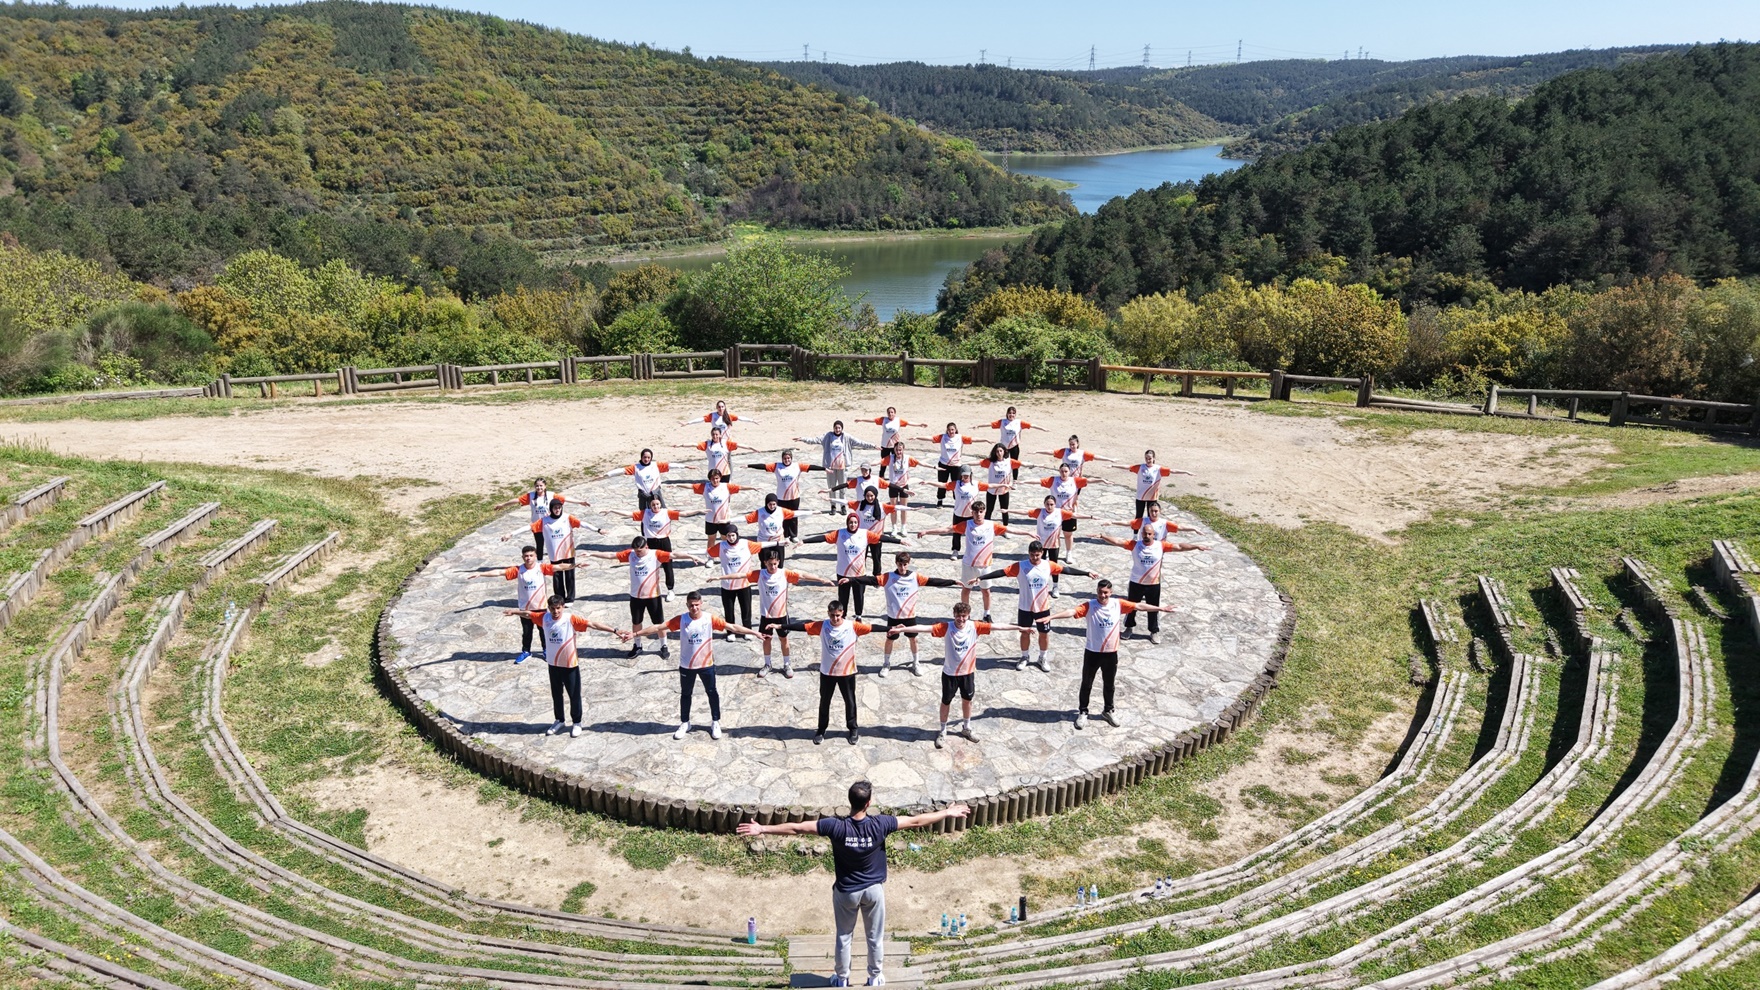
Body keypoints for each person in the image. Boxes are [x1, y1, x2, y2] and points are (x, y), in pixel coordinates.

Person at [735, 783, 970, 988]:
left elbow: (798, 828)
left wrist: (762, 828)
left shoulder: (835, 826)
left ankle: (841, 979)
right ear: (868, 803)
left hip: (846, 892)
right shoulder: (881, 824)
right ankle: (875, 978)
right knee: (875, 937)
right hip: (873, 892)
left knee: (844, 936)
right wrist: (947, 812)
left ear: (850, 802)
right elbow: (917, 821)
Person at [624, 590, 761, 741]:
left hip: (706, 665)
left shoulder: (710, 619)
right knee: (686, 694)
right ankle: (685, 723)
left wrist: (755, 633)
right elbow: (658, 627)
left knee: (712, 692)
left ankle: (715, 722)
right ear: (687, 605)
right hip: (687, 665)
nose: (694, 608)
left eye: (696, 605)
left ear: (701, 603)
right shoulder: (681, 620)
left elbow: (732, 627)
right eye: (691, 605)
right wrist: (635, 635)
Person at [1046, 579, 1176, 728]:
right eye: (1100, 592)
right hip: (1093, 652)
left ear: (1111, 592)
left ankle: (1108, 710)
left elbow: (1138, 606)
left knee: (1109, 684)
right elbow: (1072, 612)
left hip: (1111, 653)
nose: (1103, 595)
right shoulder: (1090, 606)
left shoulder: (1118, 604)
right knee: (1086, 684)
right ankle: (1083, 712)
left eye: (1106, 593)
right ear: (1097, 592)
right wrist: (1051, 617)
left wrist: (1161, 608)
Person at [503, 595, 620, 738]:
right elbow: (528, 614)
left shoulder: (570, 619)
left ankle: (577, 722)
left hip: (569, 664)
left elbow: (592, 624)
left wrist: (614, 630)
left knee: (574, 695)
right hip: (553, 664)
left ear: (563, 607)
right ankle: (559, 720)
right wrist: (514, 612)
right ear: (548, 608)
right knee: (556, 694)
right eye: (552, 608)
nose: (555, 611)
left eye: (558, 608)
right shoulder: (544, 618)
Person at [976, 540, 1095, 671]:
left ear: (1042, 553)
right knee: (1024, 633)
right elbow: (1001, 572)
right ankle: (1024, 657)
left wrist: (1086, 573)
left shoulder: (1048, 565)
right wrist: (981, 578)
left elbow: (1066, 570)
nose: (1034, 557)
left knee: (1044, 634)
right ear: (1029, 553)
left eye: (1037, 555)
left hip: (1042, 608)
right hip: (1025, 608)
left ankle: (1042, 658)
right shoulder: (1020, 566)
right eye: (1032, 555)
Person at [839, 550, 960, 677]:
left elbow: (933, 581)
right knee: (889, 640)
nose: (902, 567)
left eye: (905, 564)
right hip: (894, 617)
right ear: (896, 563)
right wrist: (851, 580)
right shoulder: (888, 577)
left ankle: (916, 662)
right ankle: (886, 664)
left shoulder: (916, 577)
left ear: (909, 563)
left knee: (913, 639)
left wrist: (952, 582)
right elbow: (870, 580)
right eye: (900, 564)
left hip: (909, 616)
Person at [581, 537, 704, 659]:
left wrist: (690, 556)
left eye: (639, 551)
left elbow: (674, 555)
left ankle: (664, 645)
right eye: (635, 551)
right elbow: (611, 555)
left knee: (659, 624)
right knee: (636, 622)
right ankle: (638, 645)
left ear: (646, 547)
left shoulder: (656, 554)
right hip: (636, 596)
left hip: (653, 596)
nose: (637, 553)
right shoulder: (630, 554)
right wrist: (591, 554)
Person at [775, 601, 876, 745]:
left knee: (850, 701)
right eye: (832, 615)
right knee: (824, 702)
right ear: (828, 613)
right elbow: (803, 627)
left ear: (842, 613)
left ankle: (853, 729)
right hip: (827, 672)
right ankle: (821, 730)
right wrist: (781, 626)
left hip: (847, 672)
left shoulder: (852, 626)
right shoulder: (822, 626)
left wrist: (892, 629)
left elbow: (873, 628)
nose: (835, 618)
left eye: (838, 615)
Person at [926, 602, 1026, 746]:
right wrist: (900, 630)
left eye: (964, 616)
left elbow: (998, 626)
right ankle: (942, 731)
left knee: (967, 700)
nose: (961, 619)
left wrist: (1019, 627)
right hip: (950, 673)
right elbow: (923, 628)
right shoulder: (947, 627)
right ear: (954, 615)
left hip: (967, 673)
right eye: (958, 616)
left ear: (968, 616)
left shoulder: (975, 626)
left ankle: (966, 728)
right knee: (946, 701)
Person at [914, 500, 1028, 624]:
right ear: (972, 513)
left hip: (985, 565)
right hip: (969, 564)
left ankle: (987, 614)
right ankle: (965, 614)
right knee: (966, 589)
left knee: (986, 591)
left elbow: (1010, 530)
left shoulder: (991, 525)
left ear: (984, 512)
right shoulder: (966, 525)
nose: (979, 514)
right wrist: (927, 531)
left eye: (981, 511)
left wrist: (1028, 532)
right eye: (976, 512)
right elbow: (947, 529)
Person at [1094, 528, 1207, 645]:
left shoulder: (1161, 545)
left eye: (1149, 534)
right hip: (1136, 583)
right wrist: (1102, 535)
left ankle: (1154, 631)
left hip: (1153, 584)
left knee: (1154, 608)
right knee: (1131, 608)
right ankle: (1129, 627)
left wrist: (1196, 546)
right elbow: (1118, 541)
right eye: (1145, 533)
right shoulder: (1135, 545)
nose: (1147, 536)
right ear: (1141, 534)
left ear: (1154, 535)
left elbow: (1179, 546)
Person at [465, 545, 574, 662]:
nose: (528, 558)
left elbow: (559, 566)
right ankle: (526, 651)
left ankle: (546, 650)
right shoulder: (518, 570)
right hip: (525, 608)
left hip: (540, 607)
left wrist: (575, 565)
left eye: (531, 555)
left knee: (543, 631)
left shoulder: (542, 568)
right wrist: (481, 574)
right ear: (522, 557)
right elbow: (499, 572)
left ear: (535, 556)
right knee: (526, 632)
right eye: (526, 556)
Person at [749, 547, 835, 678]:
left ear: (778, 562)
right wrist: (720, 577)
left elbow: (803, 575)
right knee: (766, 639)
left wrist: (821, 580)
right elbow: (740, 576)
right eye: (770, 564)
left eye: (775, 563)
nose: (773, 566)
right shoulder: (760, 574)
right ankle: (767, 664)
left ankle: (787, 664)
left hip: (781, 615)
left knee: (784, 639)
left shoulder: (784, 573)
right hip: (766, 615)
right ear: (765, 562)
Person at [817, 512, 902, 620]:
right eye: (851, 522)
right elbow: (823, 538)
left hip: (859, 574)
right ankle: (843, 617)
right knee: (843, 597)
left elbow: (881, 538)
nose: (853, 525)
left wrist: (899, 541)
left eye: (855, 522)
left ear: (858, 523)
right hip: (843, 573)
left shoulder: (865, 534)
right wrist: (804, 541)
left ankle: (858, 616)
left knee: (859, 596)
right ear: (847, 523)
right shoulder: (839, 534)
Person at [527, 497, 607, 603]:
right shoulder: (544, 521)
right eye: (555, 508)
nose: (557, 510)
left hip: (568, 552)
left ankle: (570, 598)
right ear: (551, 509)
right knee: (557, 577)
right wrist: (511, 534)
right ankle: (559, 598)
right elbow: (529, 527)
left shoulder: (567, 518)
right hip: (554, 554)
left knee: (569, 576)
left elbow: (582, 524)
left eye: (559, 507)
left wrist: (598, 530)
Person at [1036, 463, 1115, 561]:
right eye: (1062, 471)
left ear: (1069, 472)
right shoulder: (1053, 480)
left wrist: (1102, 480)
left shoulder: (1075, 481)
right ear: (1059, 471)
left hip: (1069, 513)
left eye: (1066, 471)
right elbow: (1038, 481)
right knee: (1052, 533)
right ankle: (1049, 550)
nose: (1064, 473)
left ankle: (1069, 553)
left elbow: (1089, 480)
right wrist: (1023, 482)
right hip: (1054, 513)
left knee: (1068, 534)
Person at [707, 526, 775, 634]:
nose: (731, 538)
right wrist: (689, 554)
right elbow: (707, 551)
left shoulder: (745, 544)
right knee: (729, 611)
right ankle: (730, 633)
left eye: (733, 535)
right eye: (728, 536)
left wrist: (779, 543)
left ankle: (747, 631)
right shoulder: (721, 546)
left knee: (746, 610)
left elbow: (762, 544)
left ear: (737, 534)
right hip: (727, 586)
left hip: (744, 584)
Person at [798, 421, 874, 515]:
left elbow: (860, 442)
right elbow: (815, 440)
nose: (837, 430)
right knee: (832, 487)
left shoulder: (846, 437)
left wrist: (873, 446)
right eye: (836, 428)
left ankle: (843, 506)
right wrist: (803, 439)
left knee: (843, 488)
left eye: (839, 428)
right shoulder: (828, 436)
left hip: (842, 468)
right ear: (833, 428)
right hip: (831, 468)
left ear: (842, 428)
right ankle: (833, 506)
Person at [491, 477, 577, 559]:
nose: (539, 488)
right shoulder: (531, 496)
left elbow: (565, 499)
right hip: (537, 525)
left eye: (541, 485)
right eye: (537, 486)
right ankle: (540, 561)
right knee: (539, 545)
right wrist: (503, 505)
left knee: (554, 541)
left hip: (549, 524)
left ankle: (560, 558)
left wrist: (580, 502)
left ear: (545, 486)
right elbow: (517, 500)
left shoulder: (551, 495)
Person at [748, 449, 824, 543]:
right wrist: (749, 465)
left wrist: (824, 469)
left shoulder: (797, 466)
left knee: (793, 516)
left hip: (794, 496)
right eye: (785, 458)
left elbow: (811, 467)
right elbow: (763, 466)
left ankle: (793, 535)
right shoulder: (777, 466)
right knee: (783, 517)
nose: (787, 460)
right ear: (782, 459)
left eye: (788, 458)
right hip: (781, 497)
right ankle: (785, 535)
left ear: (791, 458)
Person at [931, 465, 1000, 554]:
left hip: (971, 514)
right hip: (959, 514)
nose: (965, 477)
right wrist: (928, 482)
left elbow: (990, 486)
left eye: (967, 475)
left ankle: (973, 550)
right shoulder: (956, 484)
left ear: (971, 474)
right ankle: (955, 550)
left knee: (973, 534)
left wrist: (1003, 485)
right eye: (964, 475)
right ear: (961, 475)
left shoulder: (976, 484)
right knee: (956, 533)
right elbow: (942, 485)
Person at [1113, 449, 1193, 519]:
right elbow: (1128, 467)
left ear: (1154, 458)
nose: (1148, 460)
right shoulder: (1140, 467)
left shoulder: (1158, 469)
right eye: (1146, 458)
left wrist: (1186, 472)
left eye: (1150, 458)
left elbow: (1173, 471)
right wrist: (1113, 465)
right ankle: (1136, 532)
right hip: (1140, 496)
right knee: (1138, 516)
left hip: (1152, 497)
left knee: (1151, 517)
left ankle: (1150, 531)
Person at [844, 486, 901, 577]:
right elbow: (845, 502)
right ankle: (861, 575)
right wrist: (830, 499)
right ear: (864, 496)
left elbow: (897, 507)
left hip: (876, 538)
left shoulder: (882, 506)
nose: (869, 498)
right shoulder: (859, 505)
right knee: (861, 557)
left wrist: (912, 509)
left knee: (876, 558)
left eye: (871, 496)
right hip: (862, 538)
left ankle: (877, 576)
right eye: (867, 496)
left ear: (875, 495)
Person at [915, 423, 975, 509]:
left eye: (952, 430)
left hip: (956, 466)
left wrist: (986, 440)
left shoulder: (960, 437)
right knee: (942, 483)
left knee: (957, 484)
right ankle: (940, 500)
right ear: (947, 430)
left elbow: (973, 439)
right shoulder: (943, 437)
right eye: (949, 430)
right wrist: (917, 437)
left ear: (955, 430)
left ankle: (957, 500)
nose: (951, 431)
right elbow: (930, 438)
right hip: (943, 465)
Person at [594, 449, 671, 512]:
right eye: (644, 457)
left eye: (648, 457)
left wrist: (680, 466)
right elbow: (622, 470)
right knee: (643, 514)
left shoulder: (655, 465)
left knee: (662, 512)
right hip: (644, 495)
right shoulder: (636, 467)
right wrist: (606, 475)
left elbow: (669, 465)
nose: (646, 459)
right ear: (641, 457)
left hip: (656, 494)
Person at [1099, 500, 1199, 545]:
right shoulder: (1143, 521)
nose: (1154, 513)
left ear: (1160, 511)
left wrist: (1194, 529)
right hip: (1142, 547)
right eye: (1152, 511)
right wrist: (1112, 522)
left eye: (1156, 511)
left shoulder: (1165, 523)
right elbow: (1127, 523)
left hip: (1157, 550)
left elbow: (1180, 527)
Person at [878, 442, 923, 535]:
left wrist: (934, 467)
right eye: (897, 450)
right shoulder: (890, 458)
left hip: (904, 486)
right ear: (894, 450)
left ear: (903, 450)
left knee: (904, 508)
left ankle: (903, 527)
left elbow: (920, 463)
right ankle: (894, 527)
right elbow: (879, 462)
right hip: (893, 486)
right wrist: (867, 464)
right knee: (893, 508)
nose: (898, 452)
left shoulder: (907, 458)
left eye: (900, 450)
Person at [689, 468, 746, 540]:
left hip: (724, 519)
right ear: (710, 479)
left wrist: (753, 488)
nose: (715, 480)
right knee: (711, 539)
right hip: (710, 520)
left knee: (725, 539)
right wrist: (677, 485)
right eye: (713, 479)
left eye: (717, 478)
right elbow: (691, 486)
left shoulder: (726, 486)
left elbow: (740, 487)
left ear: (720, 478)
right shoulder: (705, 487)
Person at [674, 425, 740, 485]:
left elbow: (738, 445)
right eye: (713, 434)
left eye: (716, 434)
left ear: (720, 435)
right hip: (713, 472)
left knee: (724, 490)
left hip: (725, 472)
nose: (715, 436)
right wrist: (681, 445)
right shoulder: (707, 444)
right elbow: (694, 444)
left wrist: (747, 447)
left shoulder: (725, 443)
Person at [989, 406, 1043, 479]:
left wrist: (1043, 429)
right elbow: (990, 424)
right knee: (1003, 463)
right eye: (1010, 413)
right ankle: (1003, 479)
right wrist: (978, 426)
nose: (1011, 415)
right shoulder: (1002, 422)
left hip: (1014, 447)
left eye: (1013, 413)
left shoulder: (1019, 422)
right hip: (1004, 448)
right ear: (1007, 414)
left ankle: (1015, 480)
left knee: (1015, 464)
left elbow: (1031, 425)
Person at [744, 492, 798, 564]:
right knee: (764, 563)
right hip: (764, 541)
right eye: (770, 504)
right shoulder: (759, 512)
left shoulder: (781, 511)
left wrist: (811, 512)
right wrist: (730, 520)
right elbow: (745, 519)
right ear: (766, 503)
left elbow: (795, 513)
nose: (772, 506)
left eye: (774, 504)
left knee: (780, 563)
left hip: (778, 540)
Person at [978, 443, 1022, 524]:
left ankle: (1005, 527)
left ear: (1004, 451)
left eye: (1001, 451)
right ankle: (986, 526)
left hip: (1004, 490)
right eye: (997, 451)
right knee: (989, 510)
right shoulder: (990, 462)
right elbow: (978, 462)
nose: (999, 453)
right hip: (992, 490)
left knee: (1004, 510)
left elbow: (1022, 464)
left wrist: (1037, 465)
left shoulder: (1009, 461)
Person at [1035, 434, 1114, 479]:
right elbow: (1051, 452)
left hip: (1077, 480)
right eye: (1070, 444)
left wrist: (1109, 459)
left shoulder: (1082, 453)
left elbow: (1095, 457)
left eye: (1073, 444)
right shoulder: (1064, 452)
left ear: (1077, 444)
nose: (1072, 446)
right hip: (1066, 478)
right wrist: (1037, 451)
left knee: (1075, 499)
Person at [680, 400, 755, 437]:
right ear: (716, 407)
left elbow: (740, 418)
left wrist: (753, 421)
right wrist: (687, 423)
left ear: (725, 407)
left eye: (722, 407)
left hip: (727, 439)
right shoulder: (712, 416)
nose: (721, 408)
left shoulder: (729, 416)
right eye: (719, 407)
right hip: (716, 438)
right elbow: (700, 419)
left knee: (728, 459)